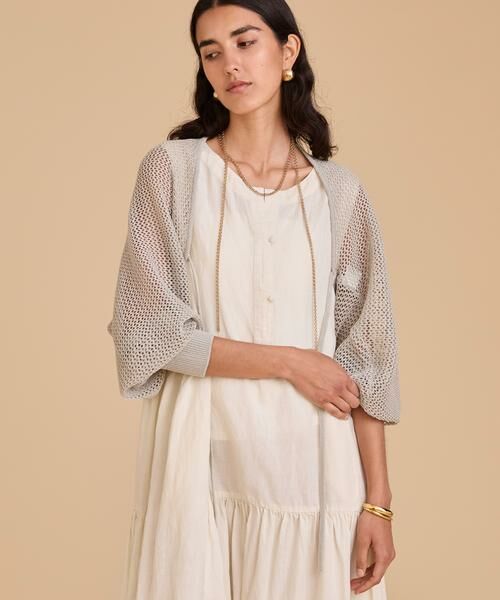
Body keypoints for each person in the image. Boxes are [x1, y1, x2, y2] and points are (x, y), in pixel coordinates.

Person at [107, 1, 401, 599]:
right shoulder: (172, 172)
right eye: (211, 52)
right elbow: (151, 332)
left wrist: (378, 502)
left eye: (245, 43)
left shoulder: (340, 195)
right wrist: (292, 362)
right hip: (198, 468)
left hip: (316, 473)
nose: (230, 65)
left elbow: (369, 360)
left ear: (288, 52)